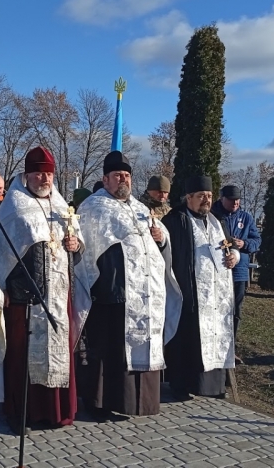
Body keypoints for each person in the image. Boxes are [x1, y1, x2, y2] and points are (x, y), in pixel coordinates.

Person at [0, 147, 83, 434]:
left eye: (48, 173)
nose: (44, 178)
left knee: (57, 351)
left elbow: (77, 246)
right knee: (21, 356)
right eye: (38, 173)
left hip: (58, 295)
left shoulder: (62, 206)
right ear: (27, 175)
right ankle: (20, 411)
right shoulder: (14, 207)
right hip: (24, 295)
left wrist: (77, 246)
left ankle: (56, 411)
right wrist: (1, 289)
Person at [75, 151, 182, 419]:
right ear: (105, 179)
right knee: (107, 350)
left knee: (137, 347)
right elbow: (85, 247)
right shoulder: (93, 206)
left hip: (143, 294)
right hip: (110, 292)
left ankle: (136, 404)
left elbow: (158, 240)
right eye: (117, 176)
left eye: (127, 176)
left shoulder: (141, 208)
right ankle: (98, 403)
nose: (123, 180)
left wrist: (160, 238)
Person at [162, 176, 239, 400]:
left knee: (213, 334)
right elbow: (164, 248)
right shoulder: (176, 219)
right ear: (189, 198)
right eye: (201, 196)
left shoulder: (216, 222)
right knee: (188, 339)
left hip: (215, 295)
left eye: (209, 196)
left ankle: (214, 387)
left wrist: (233, 256)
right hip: (188, 293)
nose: (206, 200)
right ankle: (183, 385)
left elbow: (230, 245)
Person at [211, 185, 261, 364]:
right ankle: (214, 346)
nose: (235, 203)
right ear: (222, 198)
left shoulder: (246, 217)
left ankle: (230, 348)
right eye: (231, 200)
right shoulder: (212, 215)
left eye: (238, 200)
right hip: (217, 270)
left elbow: (257, 240)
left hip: (239, 273)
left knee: (235, 311)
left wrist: (245, 244)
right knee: (216, 308)